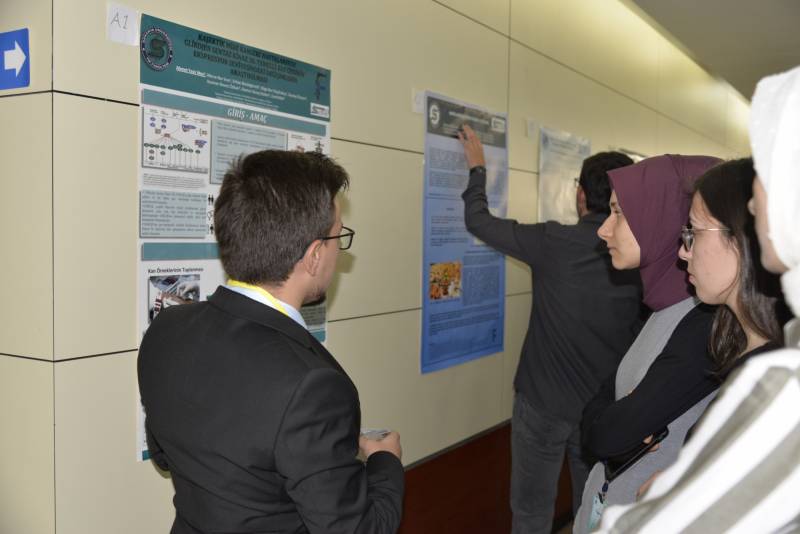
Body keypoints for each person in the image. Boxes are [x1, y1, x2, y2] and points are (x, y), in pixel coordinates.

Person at [138, 150, 404, 534]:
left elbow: (165, 454)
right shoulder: (312, 385)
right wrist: (385, 462)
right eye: (338, 236)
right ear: (314, 256)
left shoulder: (167, 329)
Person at [596, 65, 800, 534]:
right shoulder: (742, 342)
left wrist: (676, 493)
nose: (756, 203)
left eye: (695, 232)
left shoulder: (779, 377)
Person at [458, 125, 643, 533]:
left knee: (531, 513)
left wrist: (477, 168)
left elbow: (478, 221)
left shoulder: (553, 241)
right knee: (589, 510)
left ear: (581, 195)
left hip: (542, 405)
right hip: (601, 410)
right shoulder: (641, 259)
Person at [574, 154, 721, 533]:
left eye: (619, 213)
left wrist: (612, 419)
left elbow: (607, 434)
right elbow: (598, 411)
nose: (604, 230)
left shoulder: (703, 323)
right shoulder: (662, 308)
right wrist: (612, 416)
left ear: (661, 219)